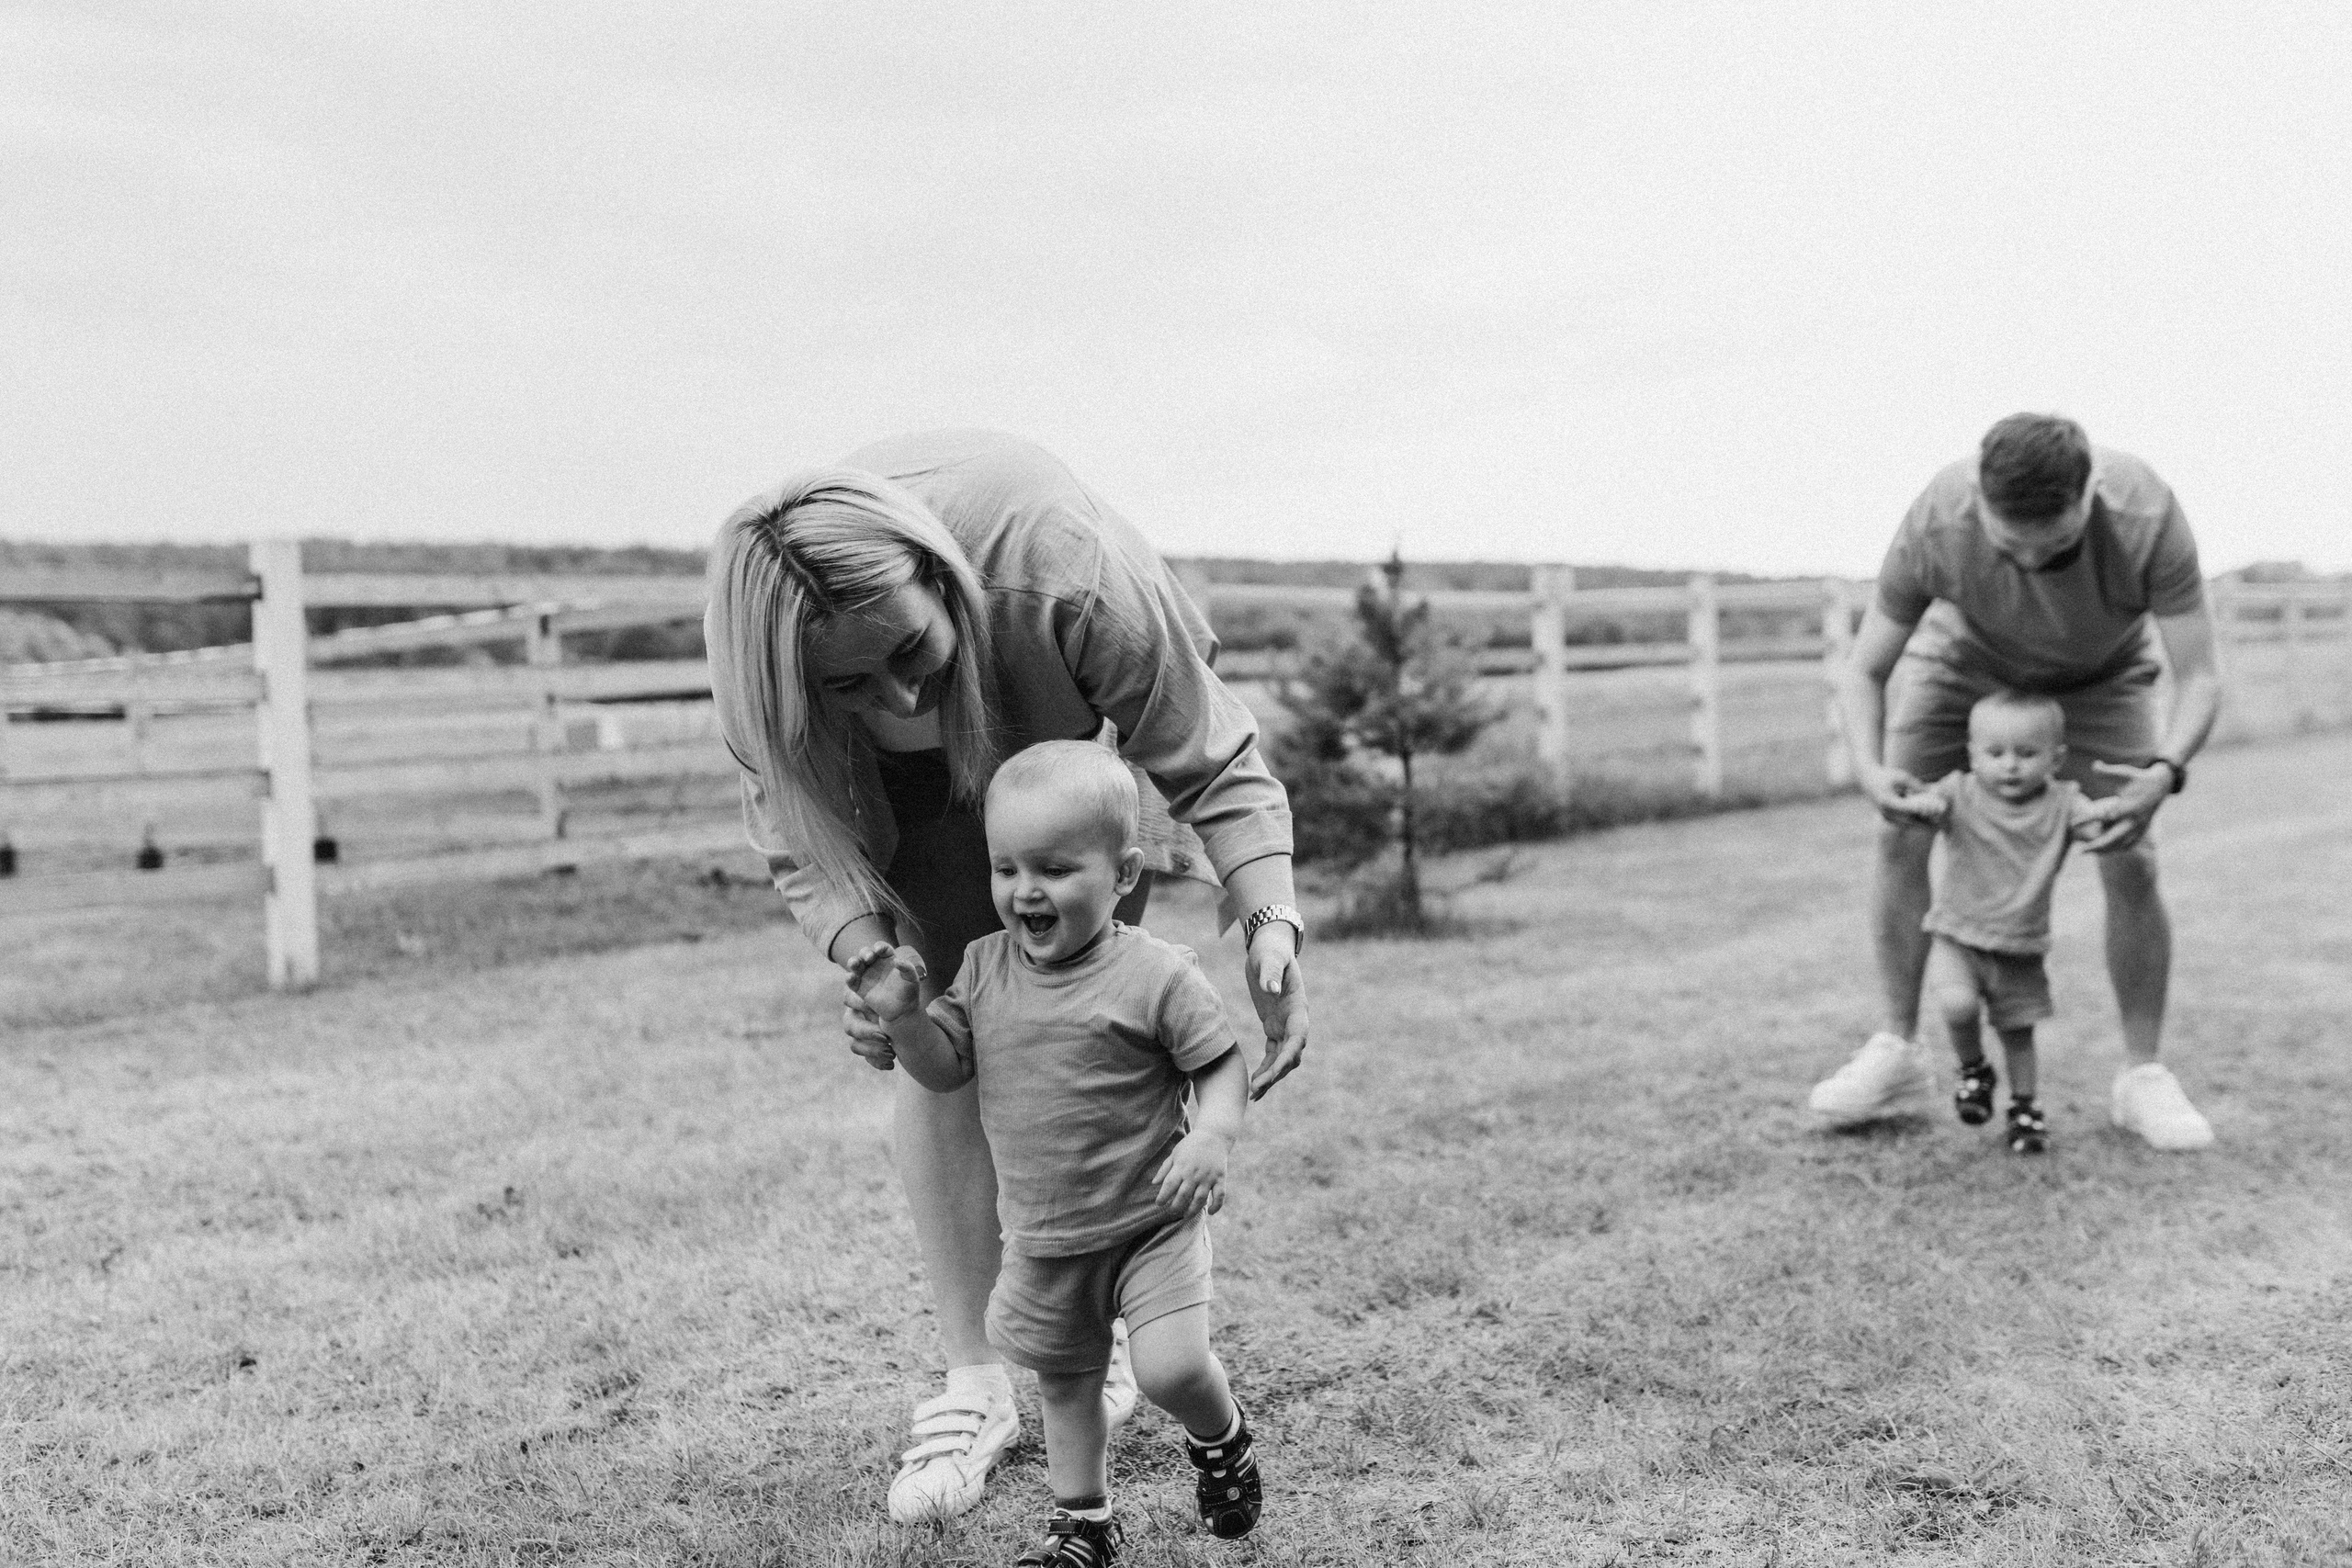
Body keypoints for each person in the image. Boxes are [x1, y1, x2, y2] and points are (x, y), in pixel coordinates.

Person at [705, 431, 1308, 1523]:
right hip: (895, 809)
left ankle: (1114, 1310)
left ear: (941, 579)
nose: (895, 697)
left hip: (1047, 745)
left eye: (910, 653)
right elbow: (799, 836)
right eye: (850, 680)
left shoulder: (1059, 564)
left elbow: (1211, 751)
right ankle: (974, 1380)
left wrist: (1268, 916)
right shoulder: (761, 661)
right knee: (951, 1038)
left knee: (1080, 1010)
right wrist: (872, 966)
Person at [845, 741, 1262, 1565]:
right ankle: (1083, 1525)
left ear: (1125, 874)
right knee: (1066, 1389)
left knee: (1173, 1367)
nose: (1024, 890)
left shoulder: (1156, 975)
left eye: (1054, 868)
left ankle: (1222, 1439)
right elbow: (944, 1068)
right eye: (1006, 868)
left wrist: (1212, 1135)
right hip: (1045, 1236)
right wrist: (901, 1020)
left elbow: (1220, 1064)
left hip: (1151, 1221)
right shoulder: (983, 968)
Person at [1811, 412, 2222, 1150]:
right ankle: (1899, 1048)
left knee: (2133, 854)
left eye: (2055, 547)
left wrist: (2165, 771)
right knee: (1899, 829)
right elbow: (1864, 668)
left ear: (2091, 492)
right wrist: (1871, 771)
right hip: (1963, 668)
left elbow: (2199, 677)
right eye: (2011, 546)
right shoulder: (1938, 515)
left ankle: (2143, 1075)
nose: (2031, 563)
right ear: (1977, 493)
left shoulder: (2147, 513)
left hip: (2104, 679)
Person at [1898, 691, 2103, 1155]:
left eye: (2027, 754)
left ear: (2057, 757)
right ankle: (1973, 1069)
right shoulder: (1958, 792)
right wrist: (1924, 806)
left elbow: (2094, 828)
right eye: (1995, 753)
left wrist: (2105, 814)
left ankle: (2025, 1109)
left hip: (2021, 945)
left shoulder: (2064, 802)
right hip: (1957, 934)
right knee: (1956, 1004)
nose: (2010, 766)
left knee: (2018, 1033)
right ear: (1973, 755)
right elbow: (1926, 807)